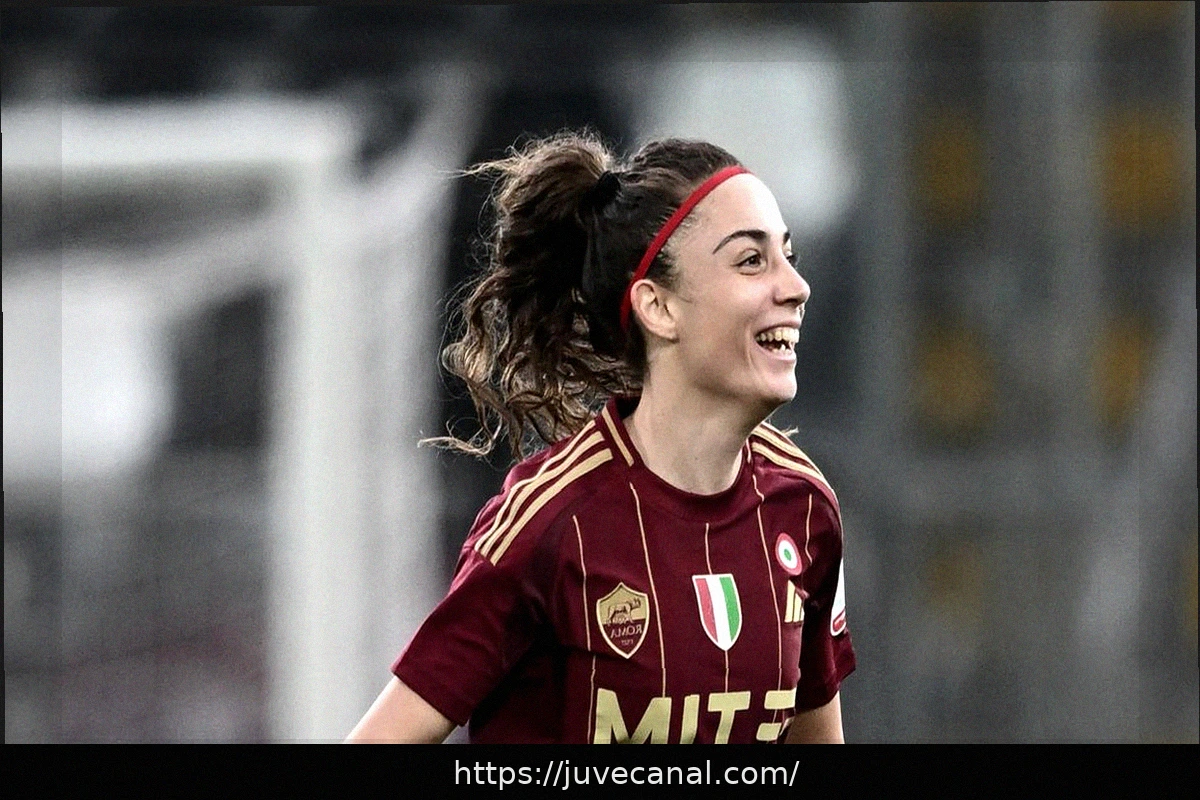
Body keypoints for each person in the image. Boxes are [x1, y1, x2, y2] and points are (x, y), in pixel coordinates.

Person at [347, 130, 854, 744]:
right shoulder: (550, 523)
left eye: (788, 257)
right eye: (752, 260)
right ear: (658, 307)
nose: (795, 287)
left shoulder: (804, 509)